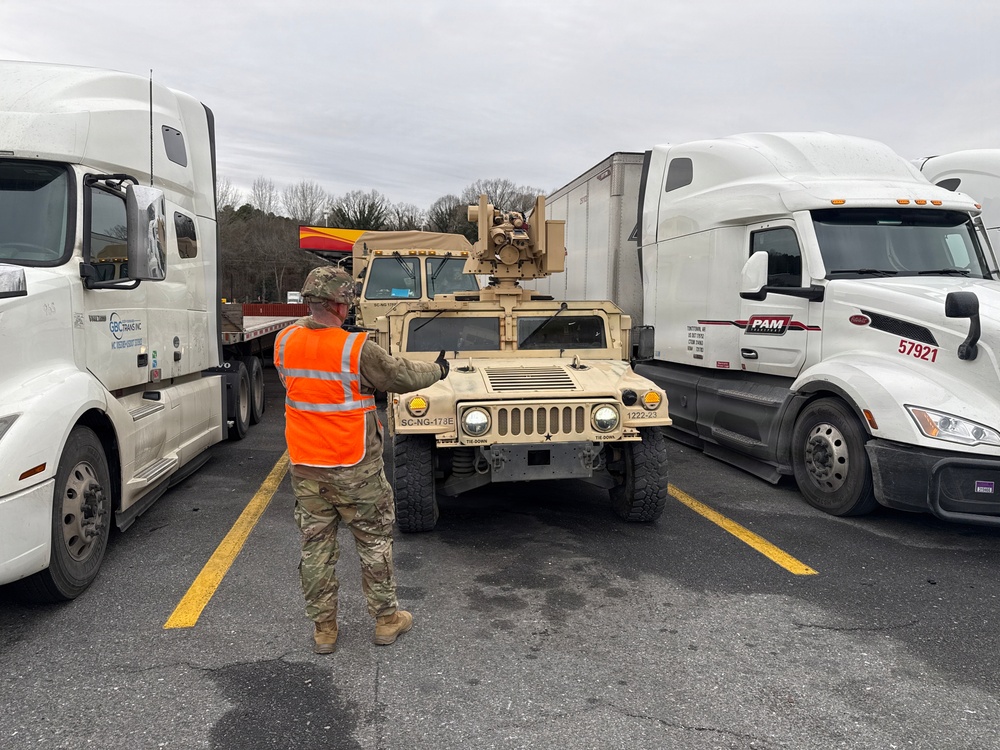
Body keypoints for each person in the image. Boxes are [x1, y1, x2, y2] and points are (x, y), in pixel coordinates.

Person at [274, 266, 449, 654]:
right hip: (354, 466)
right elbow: (398, 376)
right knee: (373, 543)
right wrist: (438, 370)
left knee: (316, 547)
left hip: (306, 466)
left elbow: (297, 385)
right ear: (340, 304)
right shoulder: (355, 347)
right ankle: (386, 621)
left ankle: (324, 631)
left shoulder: (284, 341)